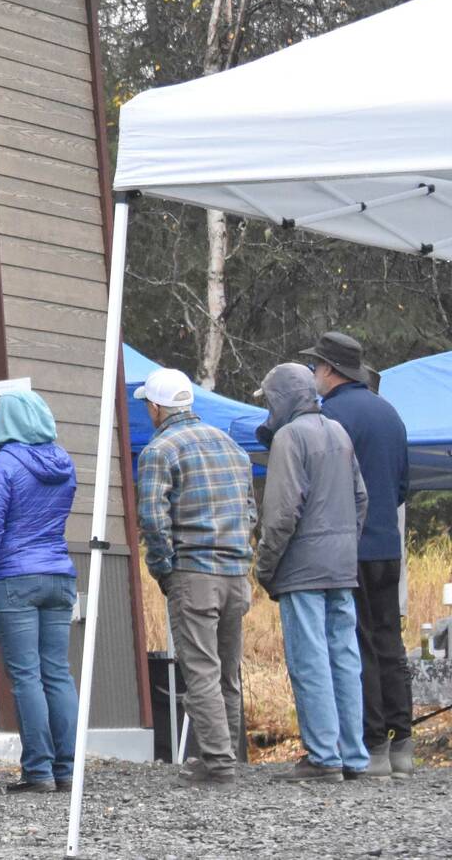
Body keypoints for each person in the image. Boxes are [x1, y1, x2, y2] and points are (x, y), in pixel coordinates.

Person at [135, 366, 255, 786]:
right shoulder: (232, 447)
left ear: (155, 407)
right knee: (227, 672)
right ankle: (225, 758)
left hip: (194, 571)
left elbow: (152, 517)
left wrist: (163, 568)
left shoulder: (159, 451)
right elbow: (250, 510)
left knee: (201, 670)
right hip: (237, 573)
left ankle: (218, 763)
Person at [303, 330, 413, 778]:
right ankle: (402, 741)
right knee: (389, 639)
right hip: (389, 544)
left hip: (349, 545)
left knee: (357, 643)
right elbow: (404, 485)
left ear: (330, 371)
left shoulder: (330, 416)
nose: (313, 374)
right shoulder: (391, 414)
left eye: (315, 367)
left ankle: (371, 745)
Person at [253, 362, 369, 782]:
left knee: (311, 662)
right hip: (341, 567)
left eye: (269, 400)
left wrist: (266, 567)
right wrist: (345, 546)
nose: (268, 408)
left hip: (303, 568)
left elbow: (282, 513)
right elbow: (361, 499)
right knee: (345, 659)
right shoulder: (338, 431)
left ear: (281, 398)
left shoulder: (289, 436)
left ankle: (323, 756)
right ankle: (354, 755)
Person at [0, 388, 78, 795]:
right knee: (58, 673)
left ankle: (38, 770)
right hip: (59, 574)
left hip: (13, 578)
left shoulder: (1, 465)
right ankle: (67, 769)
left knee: (26, 675)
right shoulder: (64, 462)